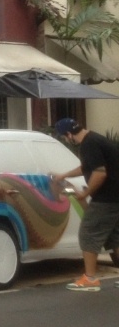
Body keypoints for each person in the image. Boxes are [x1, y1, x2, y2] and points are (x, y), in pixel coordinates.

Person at [53, 118, 119, 291]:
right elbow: (86, 167)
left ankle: (90, 279)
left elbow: (99, 173)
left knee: (88, 233)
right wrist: (64, 175)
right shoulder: (95, 139)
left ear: (69, 134)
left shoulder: (89, 144)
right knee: (114, 237)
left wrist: (85, 193)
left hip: (106, 198)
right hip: (115, 197)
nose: (66, 140)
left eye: (64, 137)